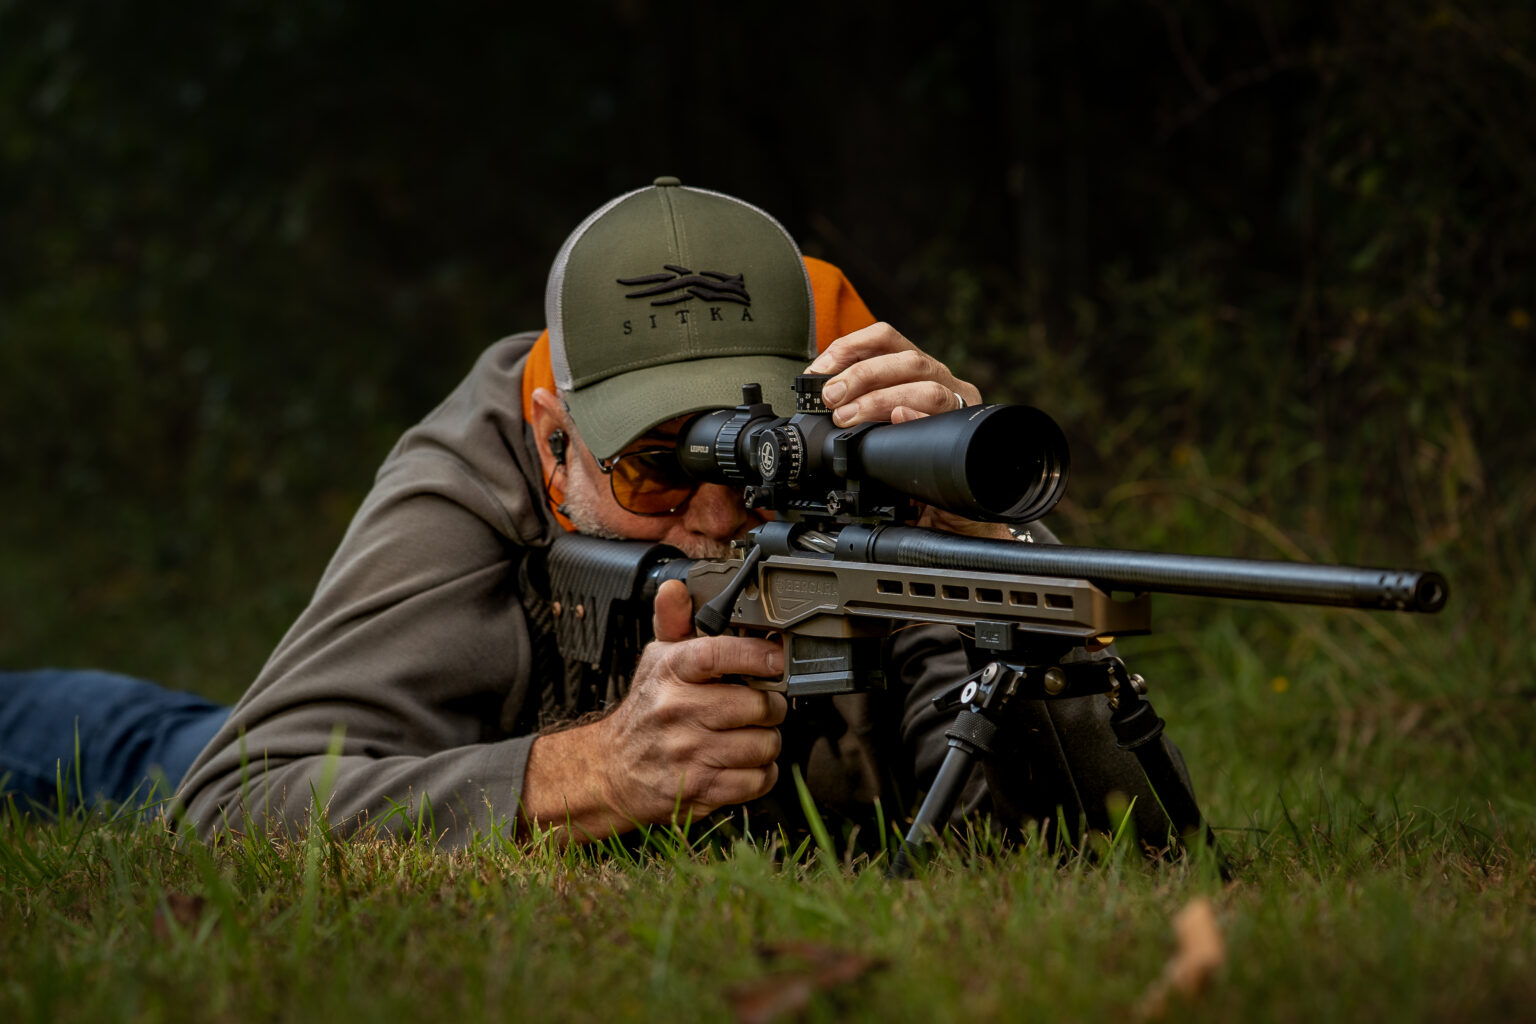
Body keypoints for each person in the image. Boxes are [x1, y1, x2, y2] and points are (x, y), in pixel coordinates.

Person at [7, 179, 1190, 849]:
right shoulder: (472, 466)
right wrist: (589, 777)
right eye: (656, 469)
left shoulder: (875, 456)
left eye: (756, 454)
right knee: (122, 747)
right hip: (275, 747)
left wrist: (999, 555)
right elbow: (230, 801)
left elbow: (1090, 836)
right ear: (552, 440)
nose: (719, 517)